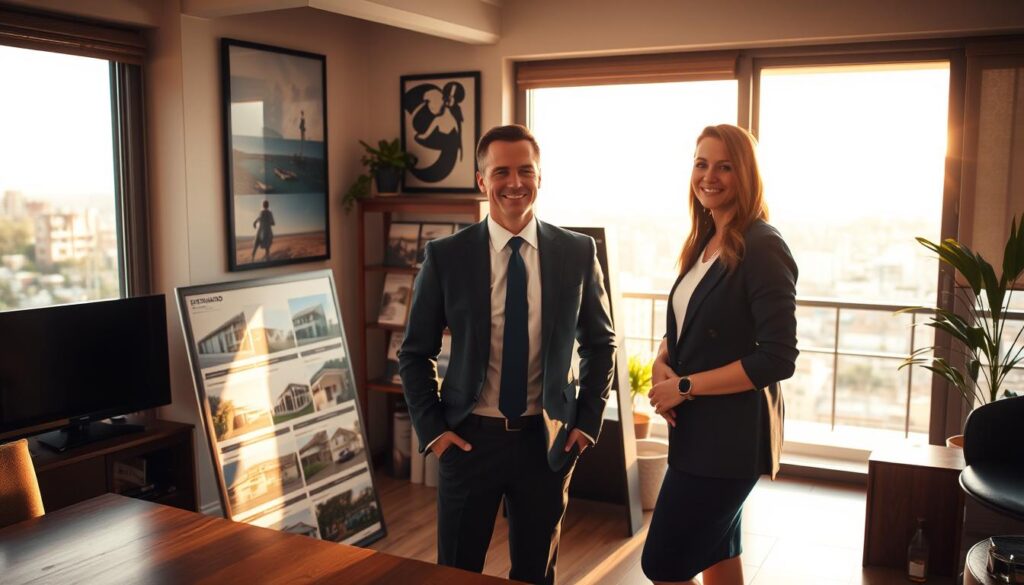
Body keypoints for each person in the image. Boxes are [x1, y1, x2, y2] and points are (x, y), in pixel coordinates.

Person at [399, 124, 616, 585]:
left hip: (547, 443)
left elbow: (600, 344)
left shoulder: (577, 252)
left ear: (540, 177)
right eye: (501, 172)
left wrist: (586, 423)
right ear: (482, 181)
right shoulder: (446, 257)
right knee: (457, 572)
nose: (514, 183)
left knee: (536, 574)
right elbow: (415, 352)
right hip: (468, 441)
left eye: (525, 171)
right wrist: (435, 432)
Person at [641, 124, 798, 585]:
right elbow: (690, 326)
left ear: (746, 175)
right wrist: (660, 360)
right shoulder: (706, 240)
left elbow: (777, 357)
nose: (709, 176)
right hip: (699, 435)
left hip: (728, 442)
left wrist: (684, 387)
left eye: (724, 166)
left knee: (664, 563)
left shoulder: (764, 246)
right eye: (701, 163)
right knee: (718, 555)